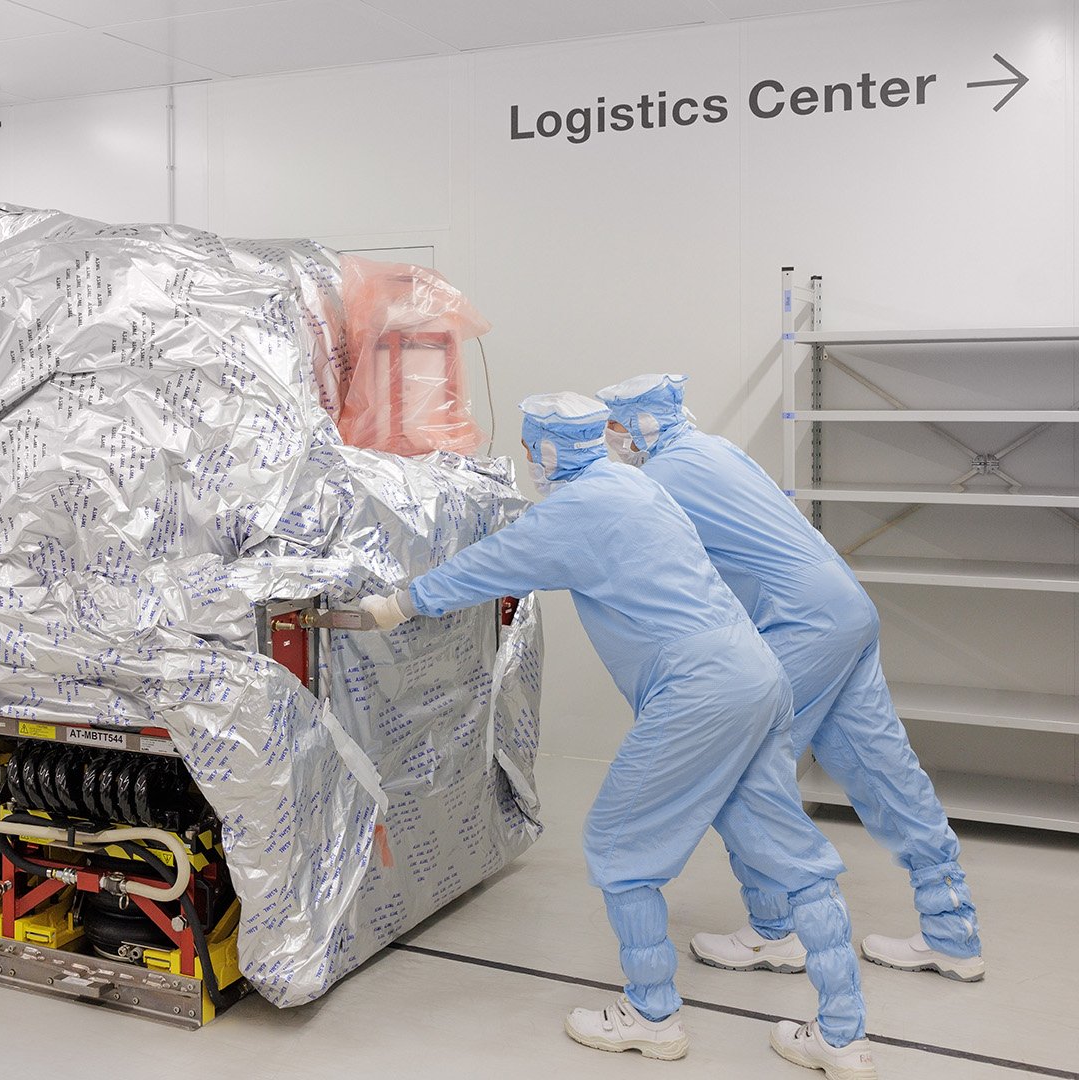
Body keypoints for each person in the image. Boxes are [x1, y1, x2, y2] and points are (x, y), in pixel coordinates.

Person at [357, 393, 876, 1078]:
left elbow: (487, 565)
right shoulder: (634, 485)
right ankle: (842, 1036)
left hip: (696, 692)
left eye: (529, 446)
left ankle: (651, 1016)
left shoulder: (574, 511)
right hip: (754, 671)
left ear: (547, 450)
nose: (527, 457)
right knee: (790, 849)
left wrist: (396, 605)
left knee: (619, 845)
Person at [596, 373, 982, 983]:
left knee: (743, 770)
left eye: (613, 426)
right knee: (884, 766)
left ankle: (774, 930)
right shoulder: (717, 449)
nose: (610, 439)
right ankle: (952, 931)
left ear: (637, 425)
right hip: (845, 607)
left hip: (798, 623)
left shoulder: (660, 478)